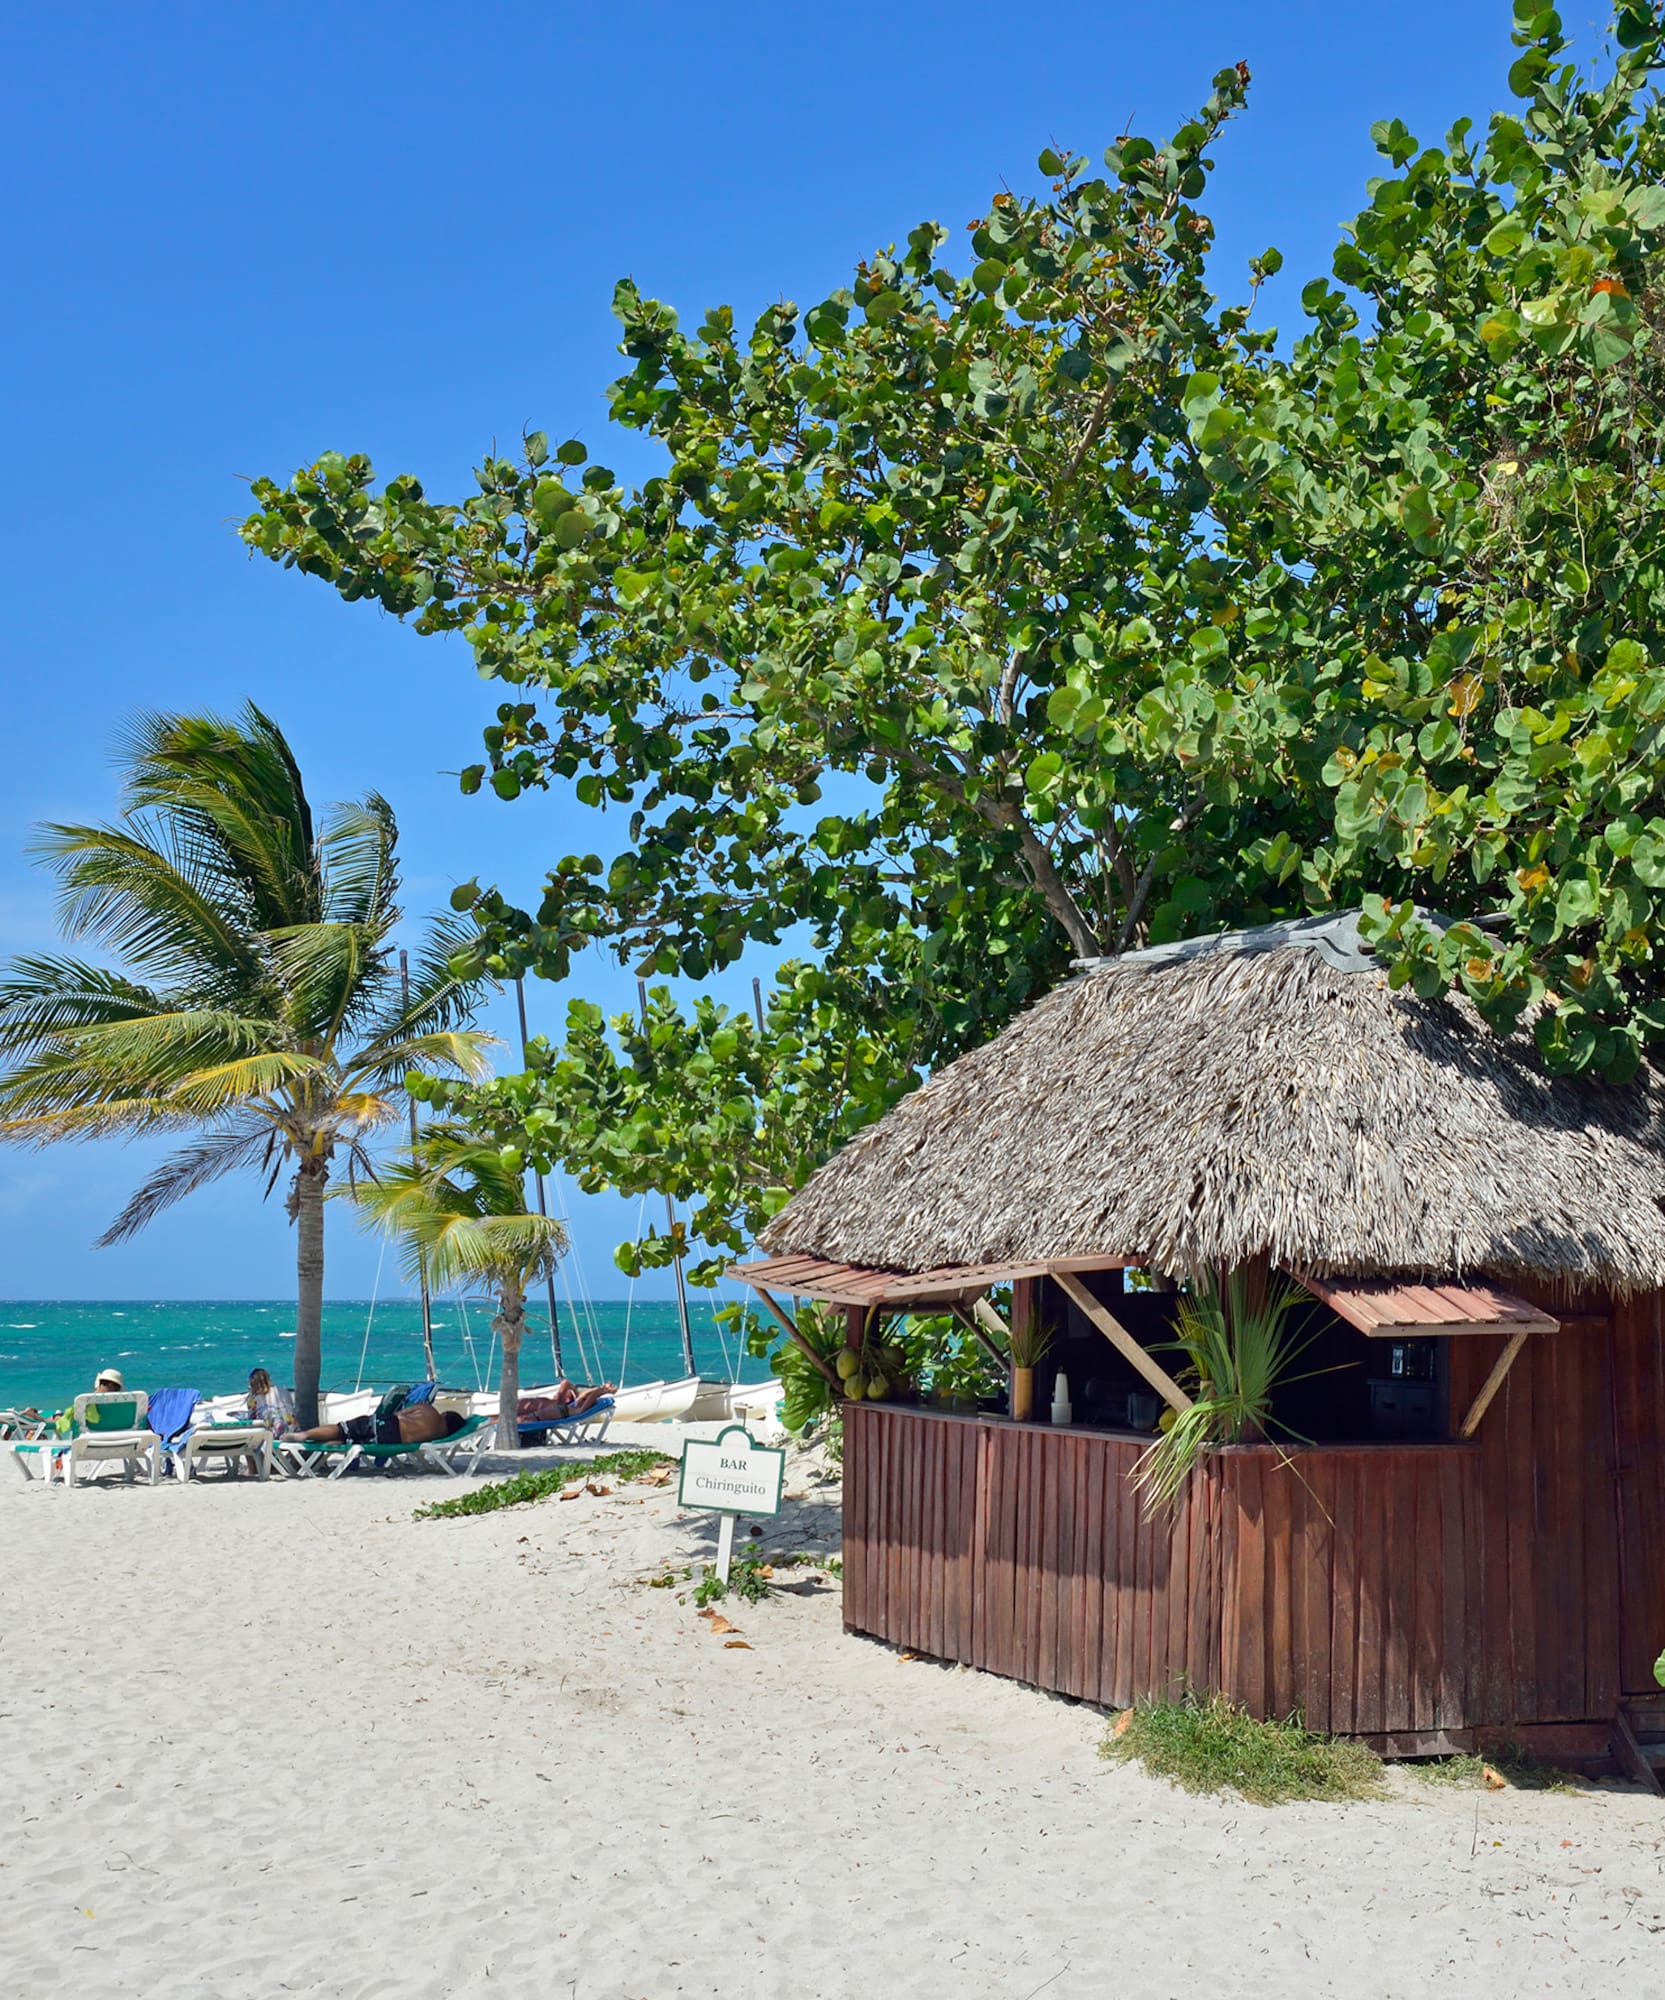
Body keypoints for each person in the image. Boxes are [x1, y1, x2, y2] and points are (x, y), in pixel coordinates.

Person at [293, 1399, 467, 1448]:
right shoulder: (437, 1436)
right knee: (348, 1441)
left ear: (445, 1414)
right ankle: (325, 1444)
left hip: (390, 1424)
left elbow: (399, 1413)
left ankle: (304, 1435)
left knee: (342, 1429)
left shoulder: (428, 1410)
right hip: (391, 1441)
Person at [517, 1379, 615, 1425]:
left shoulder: (576, 1409)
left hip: (548, 1414)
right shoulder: (572, 1403)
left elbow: (565, 1383)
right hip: (540, 1413)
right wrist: (581, 1395)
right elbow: (586, 1395)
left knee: (519, 1420)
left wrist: (601, 1391)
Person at [245, 1367, 296, 1437]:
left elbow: (251, 1419)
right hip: (291, 1429)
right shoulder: (282, 1391)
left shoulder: (253, 1398)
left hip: (270, 1432)